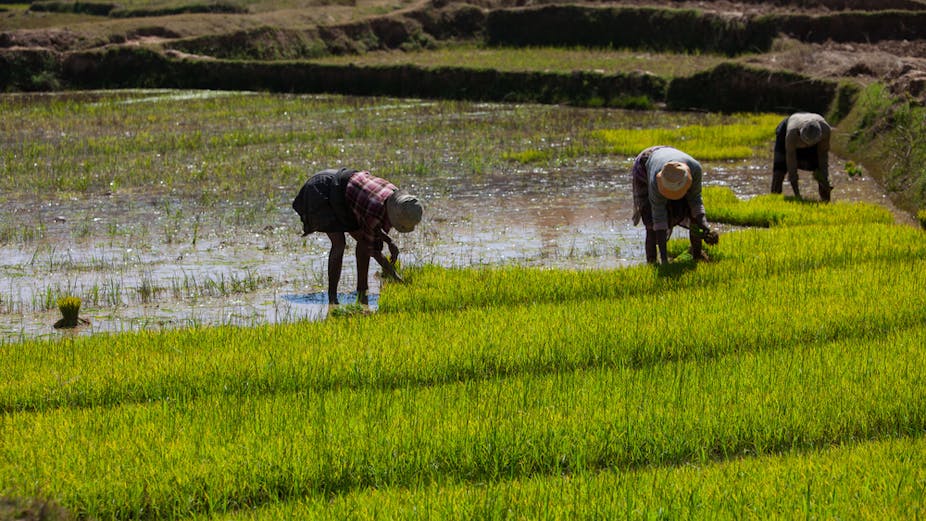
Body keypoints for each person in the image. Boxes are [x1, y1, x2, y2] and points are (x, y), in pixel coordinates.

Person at [292, 167, 422, 305]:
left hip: (344, 194)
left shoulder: (394, 196)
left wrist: (389, 241)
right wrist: (393, 274)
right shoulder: (375, 210)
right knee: (339, 244)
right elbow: (373, 249)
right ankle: (332, 298)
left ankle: (361, 290)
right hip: (322, 189)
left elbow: (372, 225)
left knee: (363, 241)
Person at [631, 146, 718, 265]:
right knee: (651, 222)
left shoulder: (695, 169)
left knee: (692, 214)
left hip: (669, 158)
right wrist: (665, 261)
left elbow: (695, 201)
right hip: (646, 163)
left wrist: (706, 227)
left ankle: (697, 256)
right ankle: (652, 262)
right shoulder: (655, 180)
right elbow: (658, 217)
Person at [771, 112, 832, 201]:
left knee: (819, 170)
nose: (807, 146)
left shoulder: (825, 131)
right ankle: (774, 198)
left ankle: (826, 201)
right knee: (779, 168)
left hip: (812, 135)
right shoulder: (791, 134)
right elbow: (791, 163)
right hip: (788, 130)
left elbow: (823, 157)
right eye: (805, 143)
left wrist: (825, 179)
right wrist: (797, 195)